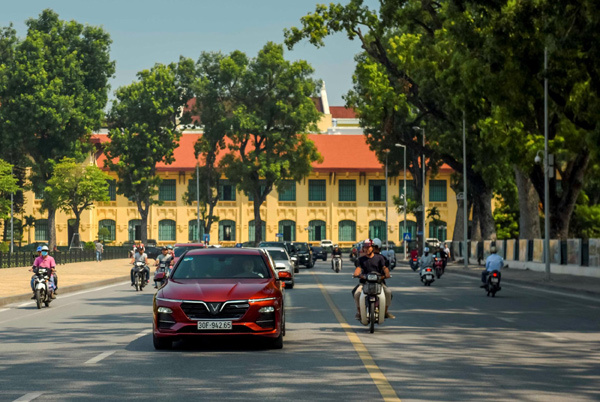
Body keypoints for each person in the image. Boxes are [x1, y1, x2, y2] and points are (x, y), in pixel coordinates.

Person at [353, 238, 394, 320]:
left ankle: (385, 311)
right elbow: (358, 268)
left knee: (388, 292)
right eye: (365, 247)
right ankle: (359, 312)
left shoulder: (380, 258)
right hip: (365, 283)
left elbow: (384, 267)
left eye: (369, 247)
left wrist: (387, 273)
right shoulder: (361, 259)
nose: (367, 249)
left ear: (373, 247)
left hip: (379, 282)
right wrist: (356, 274)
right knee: (357, 293)